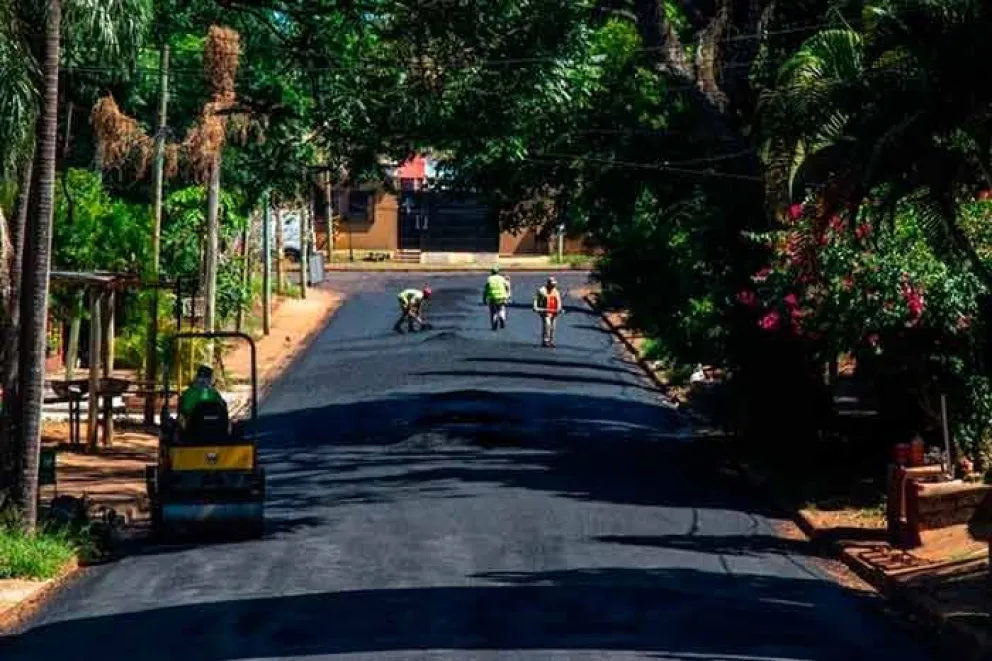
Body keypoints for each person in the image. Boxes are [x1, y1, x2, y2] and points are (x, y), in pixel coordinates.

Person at [178, 364, 227, 432]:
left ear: (197, 377)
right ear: (210, 379)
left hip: (193, 432)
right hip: (216, 432)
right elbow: (223, 407)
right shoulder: (214, 393)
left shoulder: (188, 393)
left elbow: (185, 411)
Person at [533, 276, 564, 347]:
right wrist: (535, 307)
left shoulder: (556, 291)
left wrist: (559, 309)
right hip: (545, 311)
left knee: (553, 327)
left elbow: (559, 301)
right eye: (552, 284)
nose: (553, 286)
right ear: (548, 283)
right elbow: (535, 299)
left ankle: (551, 341)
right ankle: (545, 340)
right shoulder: (541, 290)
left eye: (554, 284)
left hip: (554, 312)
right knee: (547, 324)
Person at [482, 266, 512, 330]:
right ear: (498, 272)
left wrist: (484, 299)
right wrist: (508, 295)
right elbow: (507, 286)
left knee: (493, 312)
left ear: (491, 272)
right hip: (502, 297)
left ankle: (494, 322)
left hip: (492, 298)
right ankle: (502, 317)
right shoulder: (502, 278)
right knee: (501, 309)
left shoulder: (489, 279)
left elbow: (485, 290)